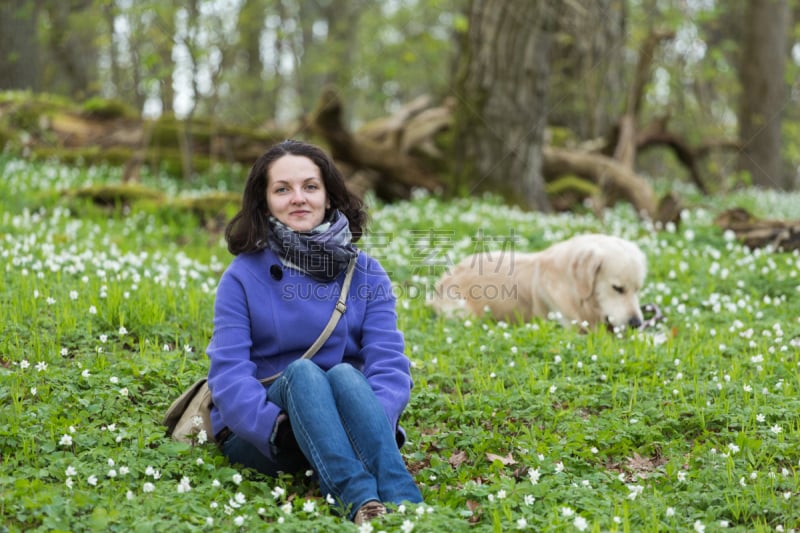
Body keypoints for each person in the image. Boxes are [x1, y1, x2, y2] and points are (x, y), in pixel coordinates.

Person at [206, 139, 423, 524]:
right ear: (264, 201)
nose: (298, 199)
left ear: (328, 196)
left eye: (310, 186)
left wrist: (372, 420)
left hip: (350, 422)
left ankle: (405, 501)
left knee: (342, 373)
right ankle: (359, 502)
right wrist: (274, 428)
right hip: (270, 433)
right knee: (304, 372)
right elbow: (229, 375)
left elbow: (389, 364)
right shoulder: (242, 275)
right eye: (282, 189)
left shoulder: (366, 273)